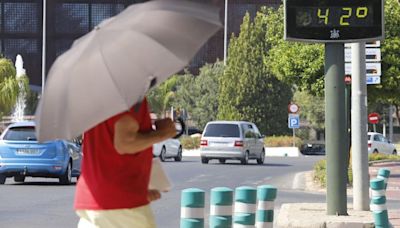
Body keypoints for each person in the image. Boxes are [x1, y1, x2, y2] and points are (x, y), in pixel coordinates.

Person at [74, 98, 176, 228]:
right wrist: (163, 134)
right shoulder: (129, 94)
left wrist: (138, 189)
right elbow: (124, 143)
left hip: (91, 201)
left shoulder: (97, 98)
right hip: (122, 206)